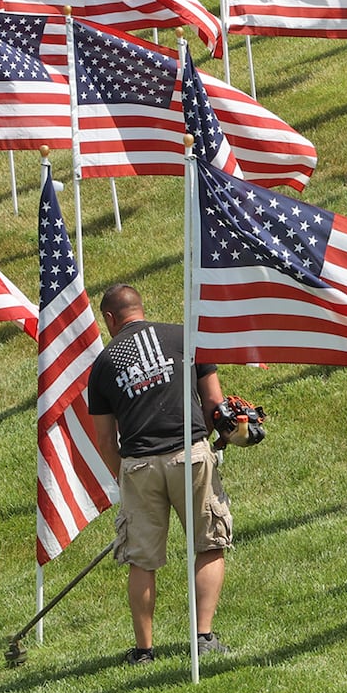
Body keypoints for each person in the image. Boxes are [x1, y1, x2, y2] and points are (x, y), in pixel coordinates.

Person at [88, 283, 231, 666]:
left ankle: (144, 651)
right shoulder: (186, 337)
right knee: (209, 543)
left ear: (109, 319)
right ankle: (203, 637)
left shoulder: (102, 364)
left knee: (142, 561)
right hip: (192, 456)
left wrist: (126, 477)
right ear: (142, 308)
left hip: (138, 465)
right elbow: (216, 404)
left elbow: (105, 439)